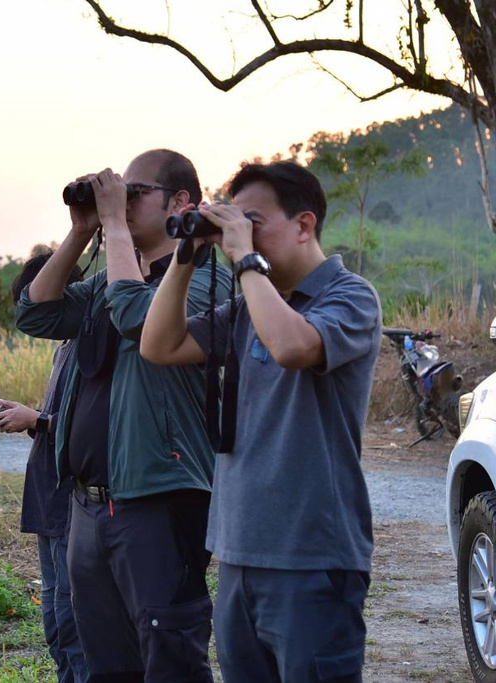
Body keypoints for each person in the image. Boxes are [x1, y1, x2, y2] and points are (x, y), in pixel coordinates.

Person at [140, 160, 381, 683]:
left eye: (253, 223)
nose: (239, 235)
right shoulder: (248, 307)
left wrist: (246, 259)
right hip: (238, 551)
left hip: (311, 558)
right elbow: (158, 345)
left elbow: (293, 346)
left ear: (303, 225)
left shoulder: (351, 296)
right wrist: (185, 255)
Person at [16, 149, 230, 682]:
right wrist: (81, 231)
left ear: (180, 202)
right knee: (107, 664)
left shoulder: (207, 280)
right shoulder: (107, 280)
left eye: (136, 193)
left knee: (169, 657)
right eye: (120, 194)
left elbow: (137, 314)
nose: (124, 202)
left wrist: (113, 225)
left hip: (158, 497)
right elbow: (35, 313)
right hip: (89, 505)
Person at [0, 251, 89, 683]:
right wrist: (30, 416)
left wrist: (38, 419)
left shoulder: (94, 343)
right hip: (47, 498)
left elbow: (98, 428)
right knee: (53, 617)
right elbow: (58, 418)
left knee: (71, 618)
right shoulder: (65, 347)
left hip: (71, 502)